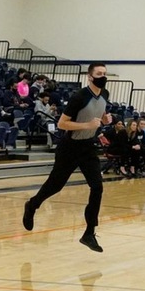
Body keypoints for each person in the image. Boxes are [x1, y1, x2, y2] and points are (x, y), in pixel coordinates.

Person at [23, 63, 111, 252]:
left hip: (88, 146)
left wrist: (104, 120)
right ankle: (32, 205)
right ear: (89, 76)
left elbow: (98, 113)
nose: (102, 76)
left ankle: (89, 232)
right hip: (70, 147)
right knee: (55, 185)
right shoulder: (79, 96)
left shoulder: (105, 94)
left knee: (97, 187)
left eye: (104, 73)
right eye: (98, 73)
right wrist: (88, 125)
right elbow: (63, 124)